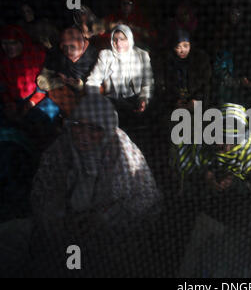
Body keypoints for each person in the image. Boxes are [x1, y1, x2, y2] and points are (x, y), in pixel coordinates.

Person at [29, 94, 163, 276]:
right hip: (68, 232)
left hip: (116, 237)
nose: (84, 135)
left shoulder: (122, 153)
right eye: (78, 125)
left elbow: (145, 200)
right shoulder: (61, 149)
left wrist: (101, 219)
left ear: (107, 129)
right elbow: (42, 193)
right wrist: (60, 221)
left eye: (94, 128)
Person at [85, 25, 154, 128]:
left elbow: (148, 83)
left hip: (135, 101)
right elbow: (92, 82)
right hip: (112, 102)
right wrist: (98, 101)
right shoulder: (105, 55)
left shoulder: (142, 55)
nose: (118, 43)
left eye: (122, 39)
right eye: (115, 39)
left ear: (130, 40)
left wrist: (143, 98)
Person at [0, 25, 59, 130]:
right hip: (12, 101)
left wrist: (28, 105)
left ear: (22, 41)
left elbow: (44, 86)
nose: (8, 48)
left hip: (36, 97)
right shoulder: (3, 60)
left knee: (50, 111)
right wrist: (8, 103)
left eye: (13, 43)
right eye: (5, 43)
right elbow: (3, 85)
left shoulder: (38, 55)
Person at [37, 27, 98, 116]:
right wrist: (61, 81)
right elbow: (42, 80)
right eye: (65, 46)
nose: (68, 51)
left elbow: (95, 88)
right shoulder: (56, 53)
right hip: (56, 98)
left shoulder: (94, 58)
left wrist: (79, 85)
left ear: (82, 43)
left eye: (72, 47)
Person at [156, 29, 211, 113]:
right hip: (175, 107)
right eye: (178, 47)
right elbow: (163, 87)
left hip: (197, 106)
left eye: (186, 46)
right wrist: (174, 102)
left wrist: (197, 102)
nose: (182, 50)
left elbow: (206, 85)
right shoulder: (167, 62)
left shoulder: (200, 60)